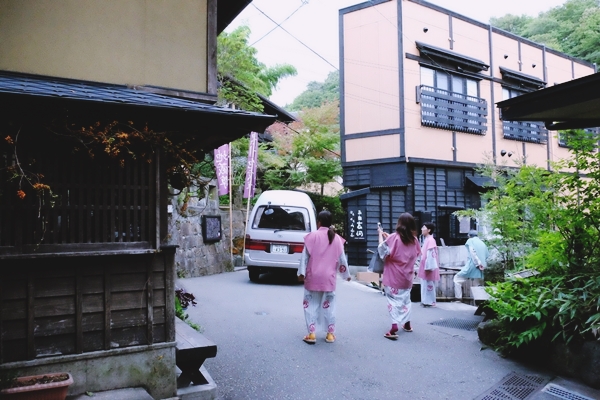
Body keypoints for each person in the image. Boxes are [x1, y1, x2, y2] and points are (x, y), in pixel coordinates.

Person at [298, 210, 351, 344]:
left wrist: (301, 273)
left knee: (311, 305)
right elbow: (342, 259)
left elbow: (304, 257)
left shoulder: (312, 237)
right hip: (329, 278)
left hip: (313, 276)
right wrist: (346, 275)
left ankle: (311, 334)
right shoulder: (337, 239)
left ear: (319, 222)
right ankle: (330, 334)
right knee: (329, 306)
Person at [378, 213, 421, 340]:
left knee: (393, 301)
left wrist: (380, 235)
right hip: (407, 277)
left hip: (393, 276)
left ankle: (394, 326)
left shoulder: (394, 238)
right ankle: (407, 324)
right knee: (406, 300)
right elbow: (416, 254)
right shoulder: (415, 240)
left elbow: (382, 251)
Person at [454, 230, 489, 301]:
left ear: (469, 236)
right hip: (482, 266)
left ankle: (458, 298)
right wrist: (482, 264)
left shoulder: (470, 241)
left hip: (474, 265)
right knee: (478, 284)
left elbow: (473, 253)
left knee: (457, 279)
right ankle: (481, 301)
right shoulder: (482, 243)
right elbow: (487, 255)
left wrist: (478, 263)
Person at [417, 222, 440, 307]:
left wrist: (429, 266)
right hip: (426, 264)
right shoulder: (428, 239)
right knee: (426, 284)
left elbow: (431, 254)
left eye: (424, 227)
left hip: (428, 266)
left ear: (429, 230)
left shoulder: (430, 240)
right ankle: (426, 301)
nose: (422, 229)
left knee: (428, 284)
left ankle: (429, 302)